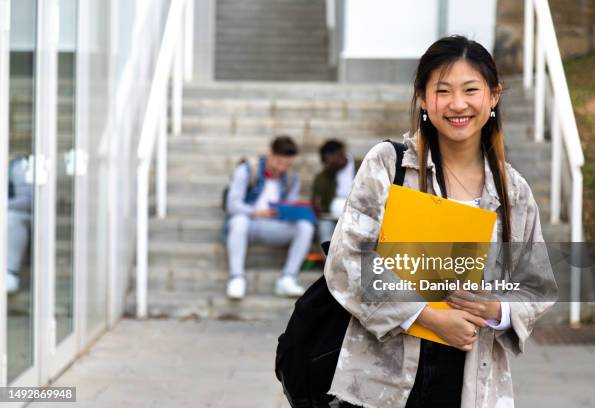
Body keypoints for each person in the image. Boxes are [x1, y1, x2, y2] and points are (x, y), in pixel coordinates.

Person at [324, 36, 557, 407]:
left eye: (471, 90)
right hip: (383, 382)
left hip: (473, 380)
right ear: (422, 98)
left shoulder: (513, 191)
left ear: (494, 96)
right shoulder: (390, 164)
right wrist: (428, 316)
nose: (457, 104)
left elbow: (536, 286)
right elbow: (348, 260)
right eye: (443, 90)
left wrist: (499, 310)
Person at [224, 135, 315, 300]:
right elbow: (232, 205)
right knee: (238, 221)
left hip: (274, 226)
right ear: (269, 153)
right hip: (248, 224)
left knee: (305, 226)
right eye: (279, 162)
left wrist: (289, 211)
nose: (281, 168)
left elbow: (290, 205)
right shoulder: (247, 170)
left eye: (286, 164)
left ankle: (288, 278)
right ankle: (236, 277)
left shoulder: (291, 178)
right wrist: (256, 212)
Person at [311, 139, 360, 245]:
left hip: (359, 215)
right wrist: (319, 207)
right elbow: (316, 203)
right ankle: (329, 260)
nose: (327, 166)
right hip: (331, 217)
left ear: (340, 155)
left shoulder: (363, 166)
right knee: (324, 227)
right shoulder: (323, 177)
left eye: (329, 162)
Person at [7, 155, 33, 294]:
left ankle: (9, 273)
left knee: (13, 218)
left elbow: (27, 199)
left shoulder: (17, 166)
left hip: (16, 217)